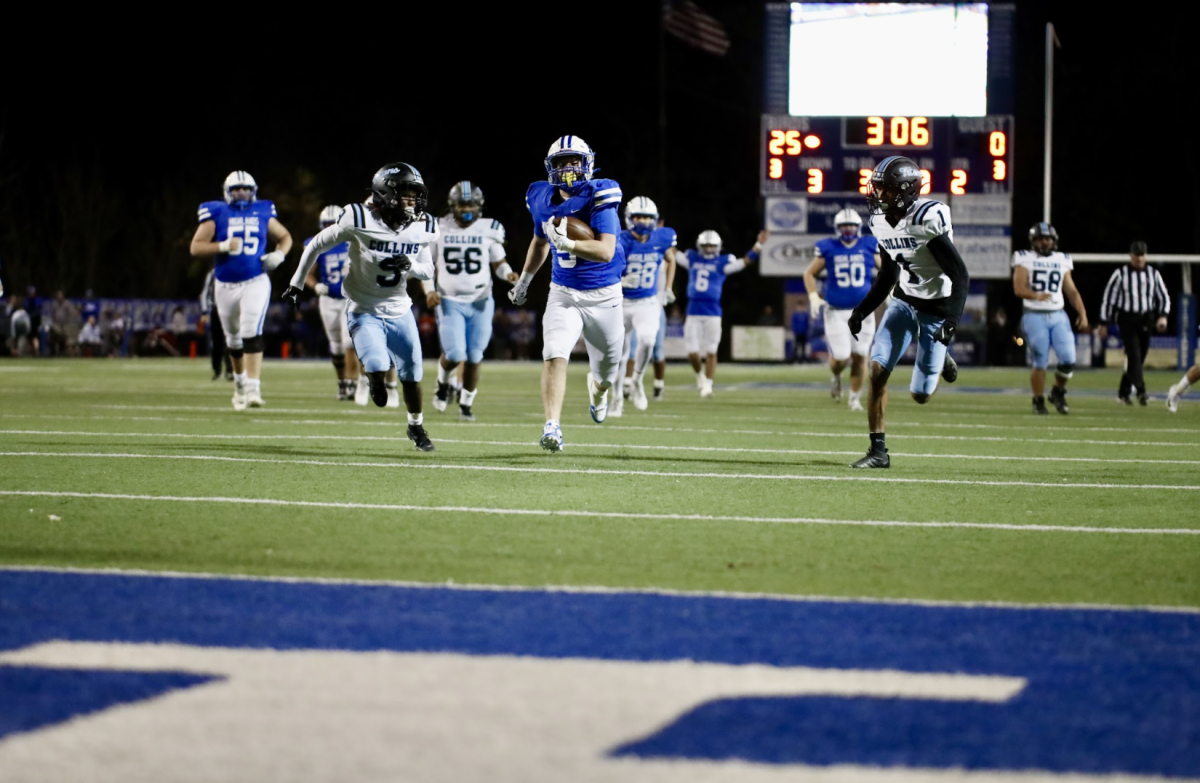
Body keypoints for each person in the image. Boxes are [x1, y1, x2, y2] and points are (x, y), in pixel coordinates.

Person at [284, 162, 437, 451]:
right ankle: (376, 381)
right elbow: (316, 245)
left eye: (415, 194)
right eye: (406, 193)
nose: (413, 201)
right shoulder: (358, 218)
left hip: (400, 308)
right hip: (363, 307)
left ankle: (416, 426)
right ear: (386, 192)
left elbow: (428, 271)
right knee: (378, 365)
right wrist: (297, 283)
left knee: (413, 373)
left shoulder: (422, 225)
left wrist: (412, 266)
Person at [847, 156, 968, 469]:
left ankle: (942, 358)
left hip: (937, 309)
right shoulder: (878, 221)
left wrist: (952, 322)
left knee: (920, 396)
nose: (876, 195)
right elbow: (888, 274)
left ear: (904, 191)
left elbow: (960, 275)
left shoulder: (926, 217)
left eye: (883, 189)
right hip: (903, 301)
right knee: (877, 372)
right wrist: (862, 310)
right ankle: (878, 452)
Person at [508, 135, 626, 452]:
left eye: (574, 161)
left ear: (587, 164)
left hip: (605, 296)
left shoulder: (600, 193)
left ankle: (597, 390)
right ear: (551, 168)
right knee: (554, 352)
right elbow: (539, 241)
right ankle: (552, 426)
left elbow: (605, 250)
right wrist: (525, 281)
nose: (568, 168)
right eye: (561, 163)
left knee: (606, 377)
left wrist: (570, 244)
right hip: (564, 292)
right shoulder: (539, 196)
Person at [190, 171, 293, 410]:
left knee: (251, 330)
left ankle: (254, 388)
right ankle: (239, 386)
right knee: (233, 340)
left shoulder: (263, 210)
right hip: (225, 284)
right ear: (227, 192)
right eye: (236, 189)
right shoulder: (216, 212)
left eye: (245, 189)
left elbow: (285, 236)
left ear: (253, 190)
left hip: (255, 280)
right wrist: (222, 245)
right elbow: (195, 247)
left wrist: (279, 254)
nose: (241, 194)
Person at [424, 181, 516, 421]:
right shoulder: (438, 227)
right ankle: (443, 384)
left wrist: (509, 275)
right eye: (462, 204)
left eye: (471, 204)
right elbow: (425, 264)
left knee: (475, 356)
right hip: (449, 299)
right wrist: (428, 290)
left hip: (481, 301)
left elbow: (498, 262)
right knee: (454, 354)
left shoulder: (489, 228)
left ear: (479, 206)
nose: (467, 209)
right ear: (452, 205)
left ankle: (466, 404)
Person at [803, 209, 880, 411]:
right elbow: (809, 273)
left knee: (861, 355)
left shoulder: (869, 245)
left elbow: (887, 271)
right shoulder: (828, 247)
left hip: (863, 311)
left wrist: (889, 290)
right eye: (844, 226)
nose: (848, 230)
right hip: (836, 310)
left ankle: (854, 399)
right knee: (841, 357)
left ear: (858, 227)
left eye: (851, 226)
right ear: (838, 228)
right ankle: (836, 375)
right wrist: (813, 296)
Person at [676, 229, 767, 397]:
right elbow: (673, 253)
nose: (709, 249)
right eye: (706, 246)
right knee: (692, 352)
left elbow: (745, 262)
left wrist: (758, 245)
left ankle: (708, 385)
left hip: (713, 311)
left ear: (718, 247)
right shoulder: (692, 258)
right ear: (700, 246)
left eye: (712, 246)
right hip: (693, 310)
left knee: (711, 350)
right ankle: (700, 376)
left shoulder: (723, 262)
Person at [1012, 222, 1088, 414]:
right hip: (1034, 315)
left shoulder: (1062, 259)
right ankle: (1038, 400)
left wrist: (1082, 314)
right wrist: (1035, 295)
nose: (1044, 242)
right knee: (1040, 358)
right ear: (1033, 241)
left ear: (1053, 241)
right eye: (1040, 239)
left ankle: (1058, 391)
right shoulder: (1024, 258)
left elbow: (1071, 291)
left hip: (1058, 315)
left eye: (1047, 239)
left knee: (1069, 359)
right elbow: (1018, 288)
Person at [611, 196, 676, 416]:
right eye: (638, 216)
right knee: (619, 354)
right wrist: (619, 281)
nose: (643, 221)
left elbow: (670, 258)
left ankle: (637, 380)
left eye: (647, 217)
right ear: (629, 218)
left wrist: (668, 287)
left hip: (647, 302)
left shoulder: (662, 238)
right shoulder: (619, 240)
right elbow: (602, 270)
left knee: (648, 341)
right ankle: (616, 399)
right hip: (620, 302)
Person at [1098, 240, 1170, 405]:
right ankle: (1141, 391)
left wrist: (1163, 316)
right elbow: (1109, 299)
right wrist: (1104, 322)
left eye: (1142, 255)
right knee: (1134, 355)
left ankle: (1123, 393)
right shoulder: (1120, 274)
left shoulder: (1153, 274)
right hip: (1127, 319)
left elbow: (1164, 297)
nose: (1139, 259)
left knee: (1138, 358)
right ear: (1131, 256)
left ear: (1146, 256)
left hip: (1146, 319)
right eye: (1136, 255)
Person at [303, 205, 360, 401]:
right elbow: (307, 275)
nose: (329, 228)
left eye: (332, 223)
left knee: (349, 343)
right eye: (326, 224)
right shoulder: (316, 244)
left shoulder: (354, 241)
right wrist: (316, 285)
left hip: (349, 299)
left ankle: (353, 382)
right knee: (336, 346)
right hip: (327, 300)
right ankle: (342, 383)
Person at [199, 268, 233, 381]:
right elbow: (204, 293)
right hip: (216, 310)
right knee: (217, 342)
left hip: (231, 310)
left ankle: (230, 370)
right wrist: (204, 311)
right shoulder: (213, 273)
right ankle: (217, 370)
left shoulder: (235, 270)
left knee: (232, 340)